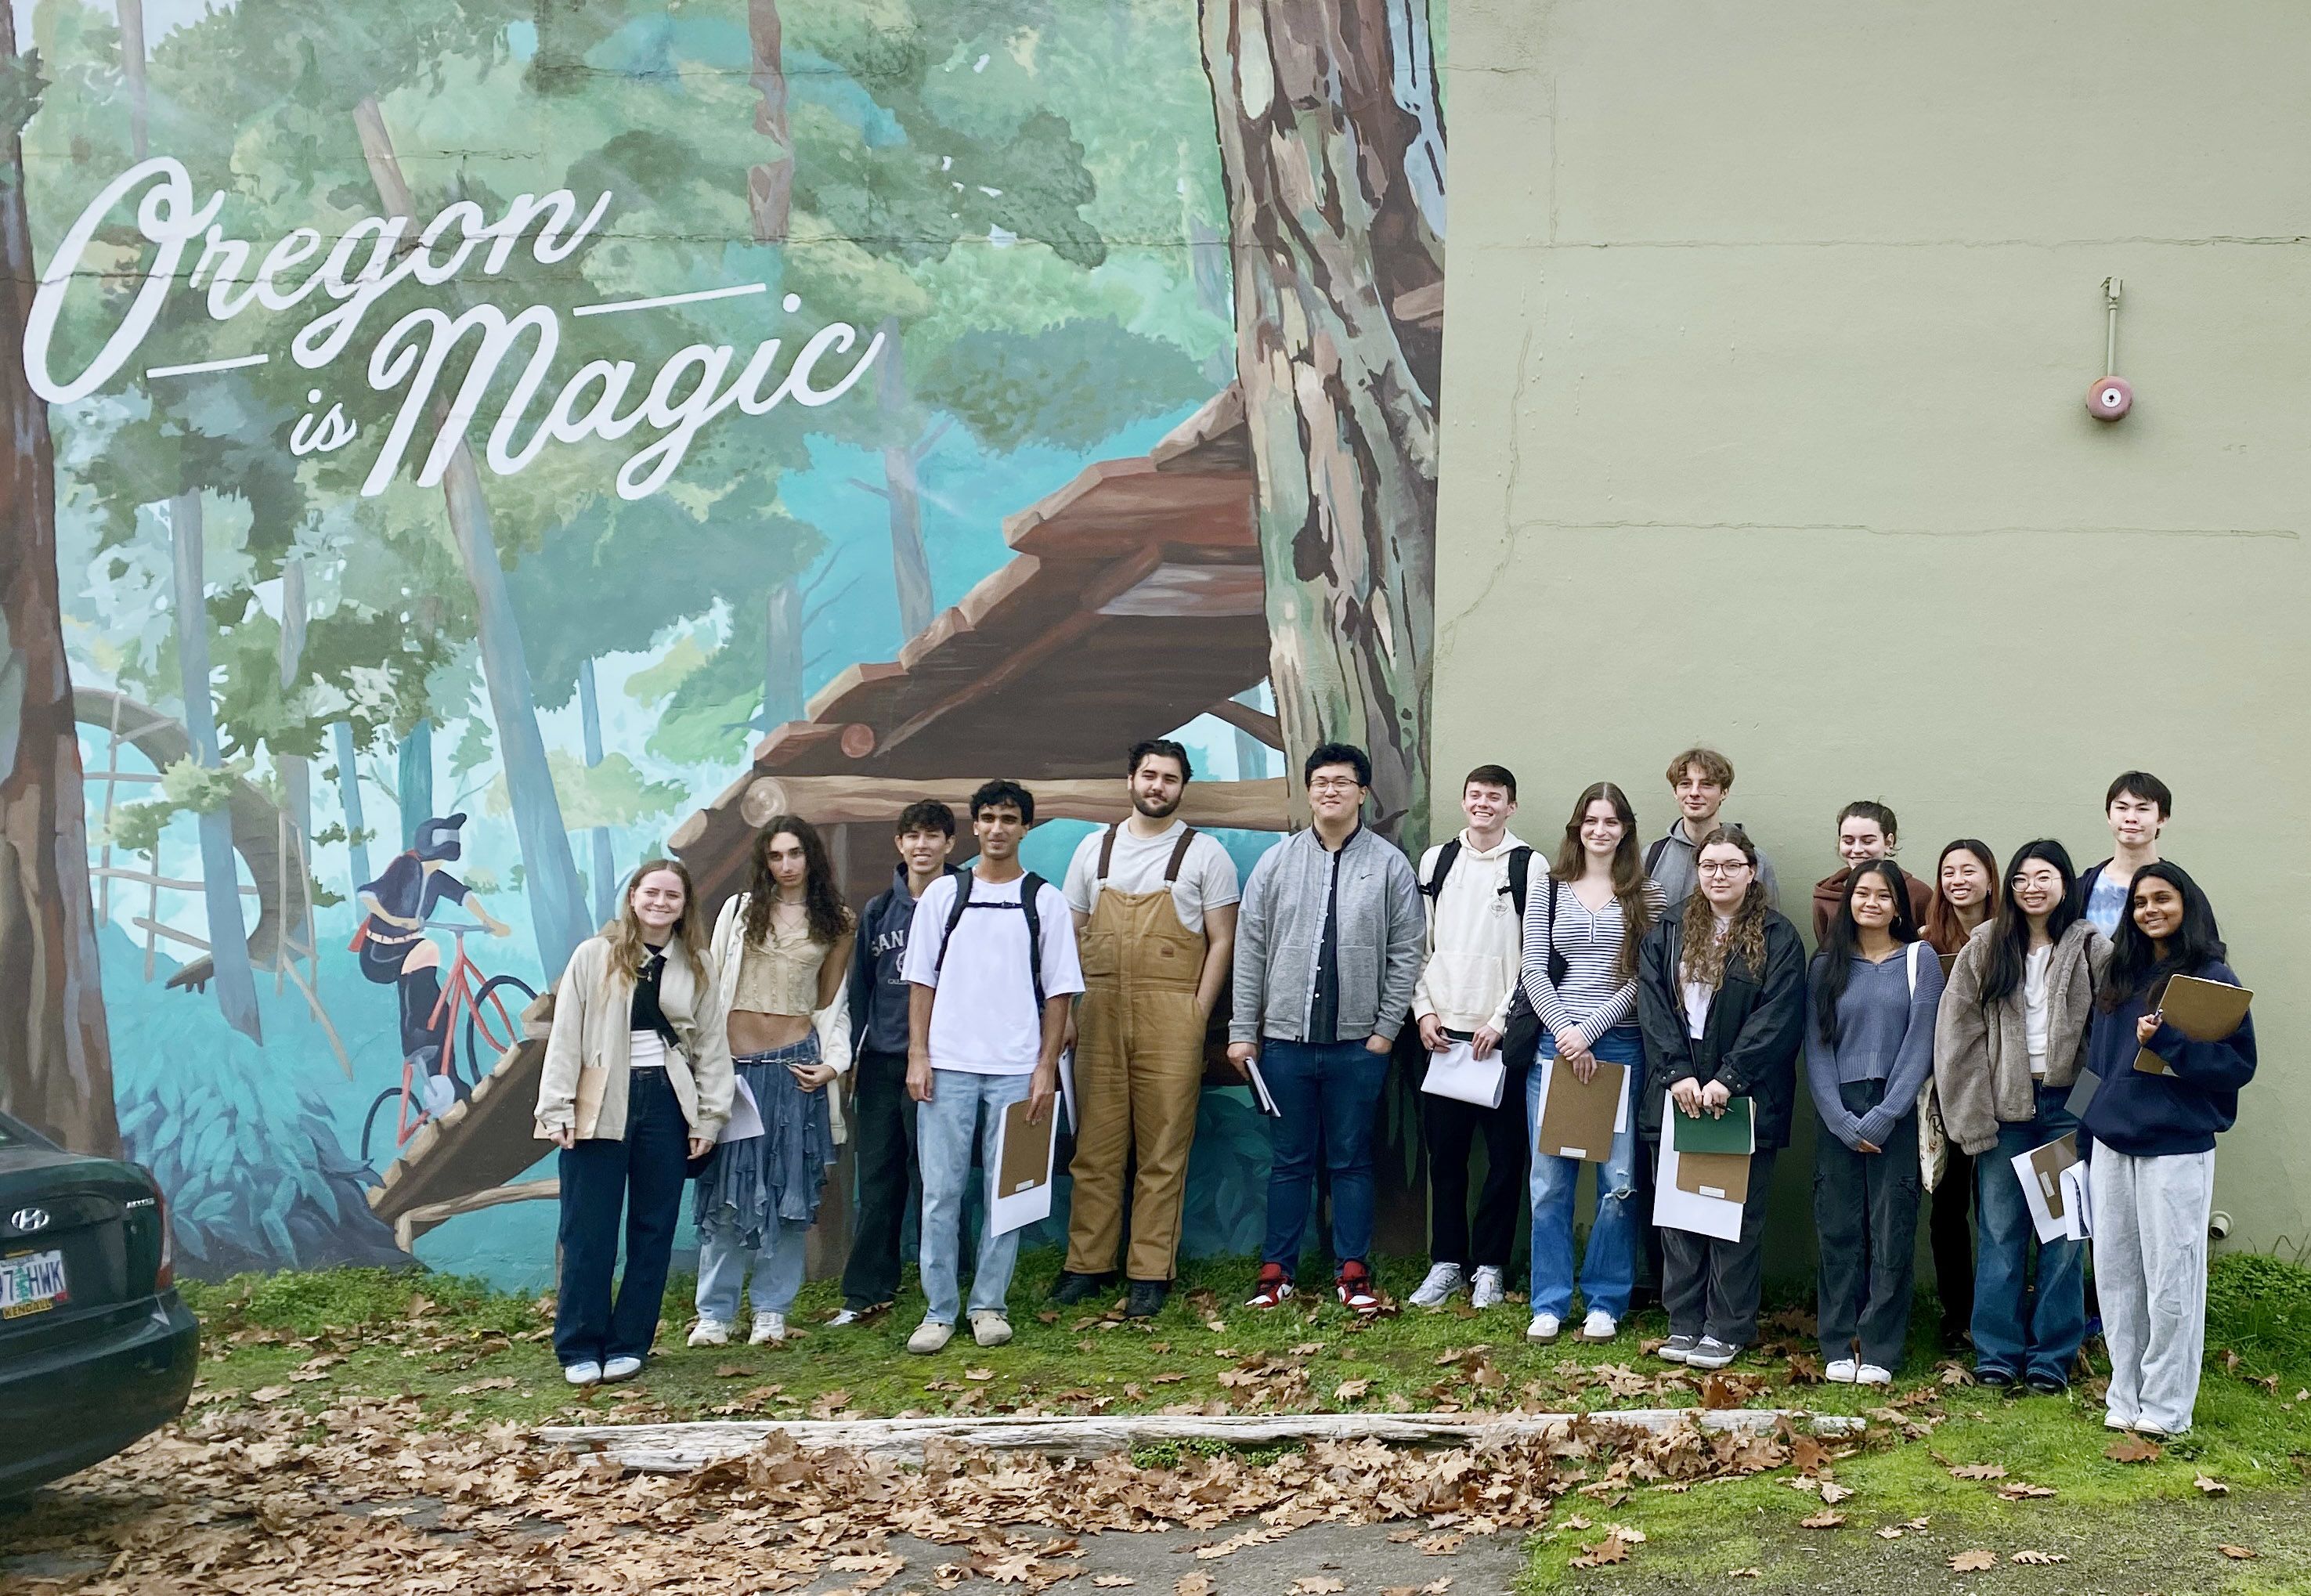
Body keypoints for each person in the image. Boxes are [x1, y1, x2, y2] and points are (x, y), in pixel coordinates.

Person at [1230, 742, 1424, 1313]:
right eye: (1320, 782)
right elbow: (1251, 949)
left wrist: (1385, 1032)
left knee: (1350, 1160)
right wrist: (1245, 1030)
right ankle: (1276, 1272)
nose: (1330, 791)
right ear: (1309, 792)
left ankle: (1352, 1272)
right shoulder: (1277, 861)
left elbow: (1408, 950)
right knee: (1289, 1160)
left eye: (1342, 781)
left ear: (1362, 793)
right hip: (1284, 1046)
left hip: (1357, 1047)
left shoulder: (1388, 864)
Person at [1054, 740, 1241, 1318]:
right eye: (1148, 775)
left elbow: (1222, 941)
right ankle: (1087, 1264)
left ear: (1182, 787)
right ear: (1130, 780)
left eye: (1169, 779)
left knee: (1163, 1149)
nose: (1157, 786)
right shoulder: (1093, 850)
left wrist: (1195, 1013)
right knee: (1096, 1148)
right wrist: (1063, 1017)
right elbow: (1066, 940)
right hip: (1099, 1014)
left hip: (1171, 1016)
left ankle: (1149, 1272)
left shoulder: (1204, 855)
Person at [901, 781, 1084, 1353]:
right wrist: (918, 1054)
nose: (998, 828)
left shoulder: (1044, 900)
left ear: (1025, 828)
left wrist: (1044, 1068)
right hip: (947, 1067)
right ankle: (937, 1311)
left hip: (1016, 1070)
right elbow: (921, 981)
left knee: (1009, 1194)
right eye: (988, 818)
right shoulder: (941, 896)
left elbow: (1060, 994)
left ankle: (987, 1306)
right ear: (974, 827)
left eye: (1009, 818)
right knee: (941, 1194)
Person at [534, 860, 731, 1387]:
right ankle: (579, 1344)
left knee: (653, 1229)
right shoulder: (594, 956)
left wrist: (709, 1118)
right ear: (633, 897)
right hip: (601, 1099)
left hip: (668, 1102)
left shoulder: (698, 965)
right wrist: (557, 1107)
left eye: (672, 895)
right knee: (587, 1230)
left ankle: (630, 1342)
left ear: (684, 905)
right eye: (651, 892)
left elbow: (712, 1045)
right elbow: (566, 1035)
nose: (660, 903)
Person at [2081, 862, 2255, 1436]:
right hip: (2112, 1144)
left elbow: (2235, 1067)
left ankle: (2165, 1408)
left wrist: (2171, 1042)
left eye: (2162, 898)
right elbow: (2099, 1063)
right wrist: (2089, 1127)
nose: (2149, 909)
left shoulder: (2211, 978)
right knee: (2116, 1275)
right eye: (2139, 902)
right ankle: (2123, 1395)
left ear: (2187, 905)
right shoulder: (2118, 974)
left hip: (2175, 1148)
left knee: (2171, 1277)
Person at [1933, 840, 2107, 1393]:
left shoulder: (2091, 949)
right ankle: (1997, 1353)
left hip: (2063, 1113)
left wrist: (2082, 1113)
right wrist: (1971, 1115)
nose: (2032, 888)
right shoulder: (1985, 946)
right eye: (2021, 879)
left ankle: (2050, 1358)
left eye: (2045, 877)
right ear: (2008, 887)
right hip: (2004, 1112)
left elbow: (2108, 1036)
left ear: (2064, 884)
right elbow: (1955, 1036)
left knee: (2062, 1236)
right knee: (2000, 1232)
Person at [1634, 826, 1805, 1371]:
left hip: (1742, 1094)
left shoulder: (1777, 937)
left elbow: (1777, 1019)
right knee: (1681, 1213)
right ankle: (1684, 1323)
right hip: (1680, 1090)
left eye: (1730, 865)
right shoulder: (1669, 927)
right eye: (1709, 865)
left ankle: (1726, 1328)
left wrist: (1729, 1078)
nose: (1718, 875)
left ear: (1750, 871)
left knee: (1733, 1214)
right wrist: (1677, 1073)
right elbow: (1654, 1006)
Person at [690, 818, 858, 1347]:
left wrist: (834, 1063)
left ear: (812, 857)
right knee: (726, 1195)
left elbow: (831, 1005)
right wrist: (705, 1067)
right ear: (765, 861)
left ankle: (770, 1311)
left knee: (789, 1194)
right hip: (735, 1071)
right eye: (776, 856)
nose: (786, 865)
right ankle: (714, 1314)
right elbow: (711, 987)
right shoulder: (739, 911)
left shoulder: (838, 922)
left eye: (795, 854)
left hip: (794, 1072)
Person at [1522, 782, 1666, 1345]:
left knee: (1619, 1183)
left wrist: (1590, 1031)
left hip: (1618, 1048)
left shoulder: (1645, 894)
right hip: (1552, 1051)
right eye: (1589, 820)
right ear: (1576, 827)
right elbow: (1532, 968)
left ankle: (1605, 1300)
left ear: (1625, 829)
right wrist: (1564, 1031)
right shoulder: (1548, 887)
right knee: (1549, 1183)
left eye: (1610, 821)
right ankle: (1549, 1301)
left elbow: (1642, 980)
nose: (1599, 830)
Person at [1805, 861, 1943, 1383]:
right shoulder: (1825, 965)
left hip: (1895, 1110)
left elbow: (1920, 1043)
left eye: (1882, 895)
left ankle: (1881, 1351)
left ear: (1897, 906)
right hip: (1836, 1111)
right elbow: (1815, 1049)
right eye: (1860, 893)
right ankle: (1837, 1344)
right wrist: (1841, 1120)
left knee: (1891, 1232)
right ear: (1847, 903)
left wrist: (1886, 1114)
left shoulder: (1918, 959)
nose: (1870, 902)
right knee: (1838, 1231)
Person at [1408, 765, 1534, 1312]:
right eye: (1475, 795)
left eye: (1495, 797)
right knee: (1446, 1159)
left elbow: (1535, 954)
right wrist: (1422, 1011)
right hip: (1441, 1038)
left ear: (1511, 806)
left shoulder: (1529, 865)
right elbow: (1419, 942)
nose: (1483, 804)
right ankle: (1446, 1264)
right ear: (1463, 802)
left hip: (1497, 1042)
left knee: (1506, 1161)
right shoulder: (1437, 861)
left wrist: (1500, 1022)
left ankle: (1489, 1267)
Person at [832, 801, 959, 1327]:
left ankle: (951, 1287)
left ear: (950, 844)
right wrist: (855, 1057)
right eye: (913, 836)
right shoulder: (878, 911)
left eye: (932, 836)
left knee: (938, 1179)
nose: (922, 845)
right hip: (884, 1064)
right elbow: (860, 991)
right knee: (879, 1179)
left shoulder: (965, 904)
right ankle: (866, 1290)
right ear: (899, 844)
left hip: (946, 1062)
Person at [354, 812, 512, 1094]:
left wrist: (491, 922)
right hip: (379, 953)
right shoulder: (404, 867)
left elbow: (463, 895)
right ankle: (413, 1039)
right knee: (426, 950)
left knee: (441, 1010)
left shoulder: (437, 878)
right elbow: (368, 895)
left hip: (407, 950)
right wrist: (397, 921)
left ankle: (447, 1080)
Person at [1920, 839, 1999, 1348]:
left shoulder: (2014, 939)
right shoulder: (1926, 941)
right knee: (1948, 1208)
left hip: (2004, 1090)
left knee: (1997, 1206)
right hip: (1946, 1091)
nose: (1956, 880)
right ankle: (1957, 1316)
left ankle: (1999, 1312)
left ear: (1990, 879)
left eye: (1967, 871)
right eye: (1946, 871)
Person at [1645, 748, 1780, 910]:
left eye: (1706, 784)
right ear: (1675, 792)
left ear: (1724, 792)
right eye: (1685, 784)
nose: (1694, 793)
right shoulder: (1651, 857)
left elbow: (1770, 928)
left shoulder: (1754, 861)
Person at [1809, 801, 1934, 945]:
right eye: (1848, 841)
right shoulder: (1826, 896)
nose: (1856, 849)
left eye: (1867, 841)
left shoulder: (1917, 894)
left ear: (1888, 842)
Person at [2077, 771, 2173, 937]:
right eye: (2122, 808)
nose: (2131, 818)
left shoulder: (2178, 887)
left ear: (2162, 819)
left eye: (2142, 809)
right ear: (2109, 815)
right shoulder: (2080, 888)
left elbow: (2206, 951)